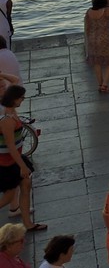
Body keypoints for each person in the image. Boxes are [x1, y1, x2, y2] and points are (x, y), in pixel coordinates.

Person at [0, 86, 39, 234]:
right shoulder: (7, 120)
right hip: (8, 163)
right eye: (21, 98)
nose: (23, 100)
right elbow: (10, 146)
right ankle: (27, 224)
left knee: (26, 185)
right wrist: (22, 166)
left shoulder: (12, 114)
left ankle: (28, 224)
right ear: (14, 99)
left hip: (14, 160)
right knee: (9, 197)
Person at [84, 0, 109, 94]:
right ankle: (105, 84)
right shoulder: (107, 11)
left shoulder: (89, 12)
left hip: (92, 39)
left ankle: (100, 84)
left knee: (96, 62)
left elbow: (87, 28)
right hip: (104, 39)